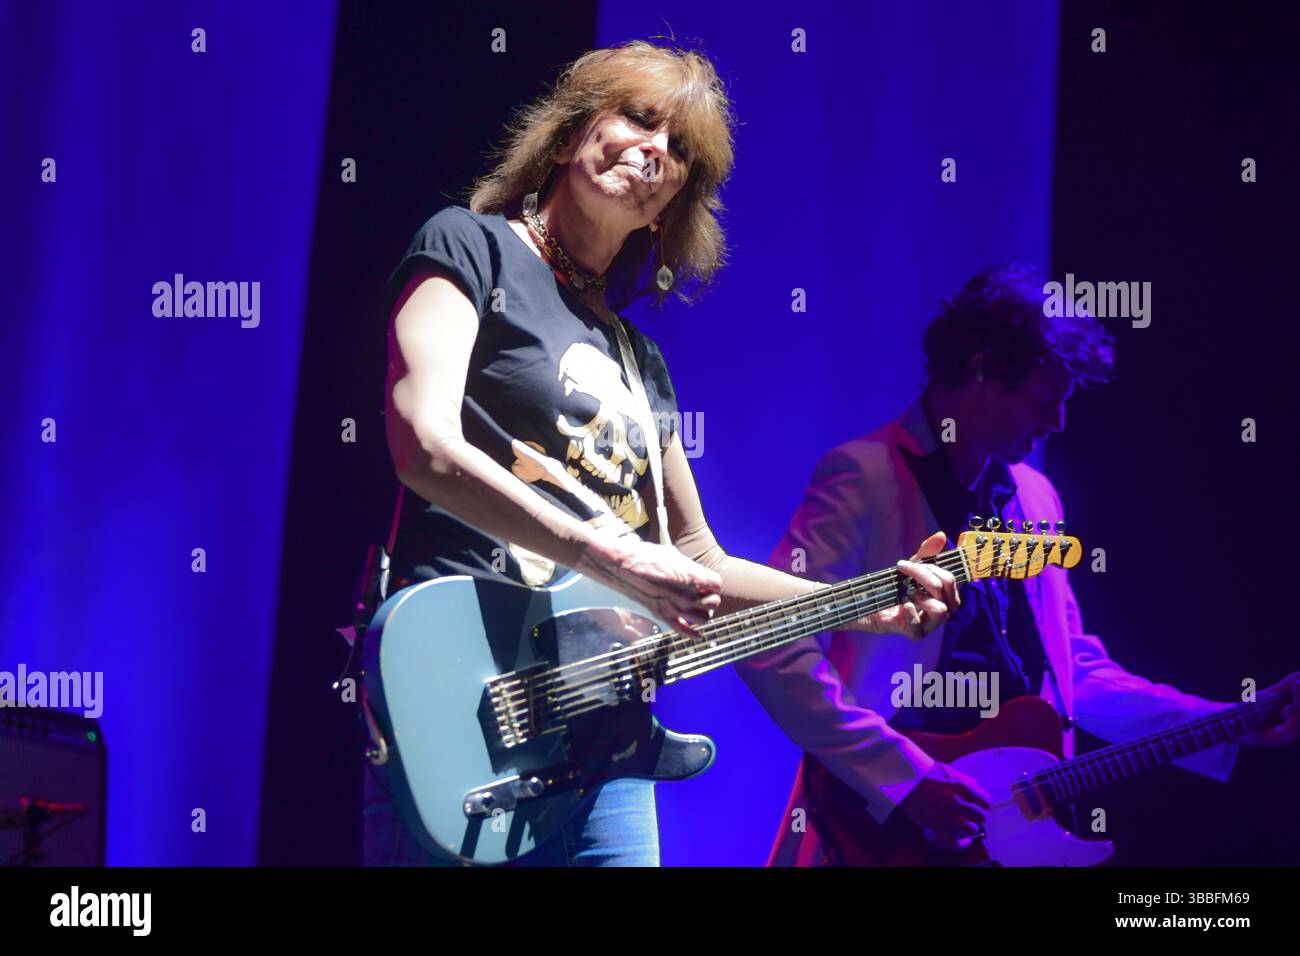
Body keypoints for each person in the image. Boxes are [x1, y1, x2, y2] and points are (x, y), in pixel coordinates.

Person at [363, 40, 961, 867]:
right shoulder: (471, 246)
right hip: (467, 700)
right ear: (573, 133)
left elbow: (696, 559)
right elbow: (423, 446)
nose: (655, 151)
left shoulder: (640, 364)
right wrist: (604, 556)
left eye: (679, 151)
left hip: (604, 735)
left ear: (667, 209)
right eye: (640, 120)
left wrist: (863, 603)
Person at [735, 264, 1300, 865]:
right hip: (878, 833)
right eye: (1043, 401)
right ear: (980, 370)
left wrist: (1228, 721)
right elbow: (770, 643)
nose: (1056, 423)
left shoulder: (1035, 496)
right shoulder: (862, 474)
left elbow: (1074, 672)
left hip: (1005, 832)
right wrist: (904, 778)